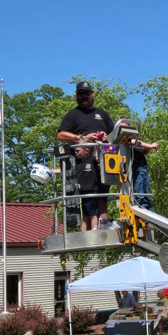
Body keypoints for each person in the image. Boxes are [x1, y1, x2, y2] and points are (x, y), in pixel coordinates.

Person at [58, 82, 115, 225]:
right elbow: (61, 135)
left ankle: (104, 224)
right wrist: (81, 138)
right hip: (82, 163)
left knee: (103, 195)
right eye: (81, 93)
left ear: (92, 94)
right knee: (87, 198)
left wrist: (104, 136)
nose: (84, 96)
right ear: (77, 95)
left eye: (86, 93)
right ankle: (88, 229)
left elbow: (114, 134)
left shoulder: (102, 114)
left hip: (103, 161)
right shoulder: (73, 114)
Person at [74, 143, 100, 230]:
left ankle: (94, 232)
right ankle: (83, 234)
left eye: (78, 151)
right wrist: (52, 171)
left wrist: (99, 147)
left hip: (91, 190)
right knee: (85, 216)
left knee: (92, 214)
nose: (76, 153)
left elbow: (100, 159)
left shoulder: (92, 160)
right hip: (82, 191)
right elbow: (64, 170)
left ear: (86, 150)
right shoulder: (78, 163)